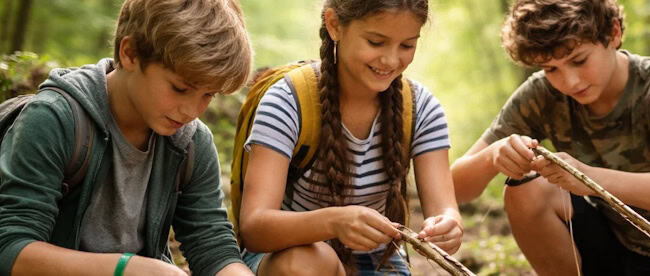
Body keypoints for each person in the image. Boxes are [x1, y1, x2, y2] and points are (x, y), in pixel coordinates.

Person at [450, 0, 650, 275]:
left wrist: (587, 178)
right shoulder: (541, 95)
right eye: (551, 69)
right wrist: (494, 156)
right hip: (609, 246)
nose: (570, 82)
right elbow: (454, 188)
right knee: (528, 190)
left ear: (613, 33)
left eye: (579, 60)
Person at [0, 0, 255, 275]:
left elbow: (212, 247)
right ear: (130, 53)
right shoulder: (54, 119)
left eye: (208, 95)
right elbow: (10, 248)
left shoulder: (192, 143)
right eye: (180, 88)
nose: (192, 111)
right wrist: (125, 268)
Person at [237, 0, 462, 275]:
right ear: (334, 25)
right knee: (305, 264)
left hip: (376, 261)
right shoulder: (287, 102)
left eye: (407, 45)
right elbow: (255, 227)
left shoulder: (422, 110)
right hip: (289, 256)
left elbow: (445, 209)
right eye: (376, 42)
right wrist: (333, 223)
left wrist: (448, 226)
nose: (391, 60)